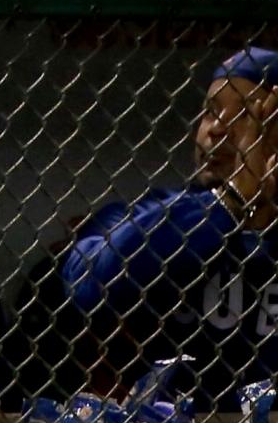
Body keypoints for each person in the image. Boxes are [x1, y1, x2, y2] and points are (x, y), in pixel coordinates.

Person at [55, 47, 278, 403]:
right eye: (210, 112)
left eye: (247, 115)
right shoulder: (151, 214)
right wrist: (232, 199)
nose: (217, 128)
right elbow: (89, 281)